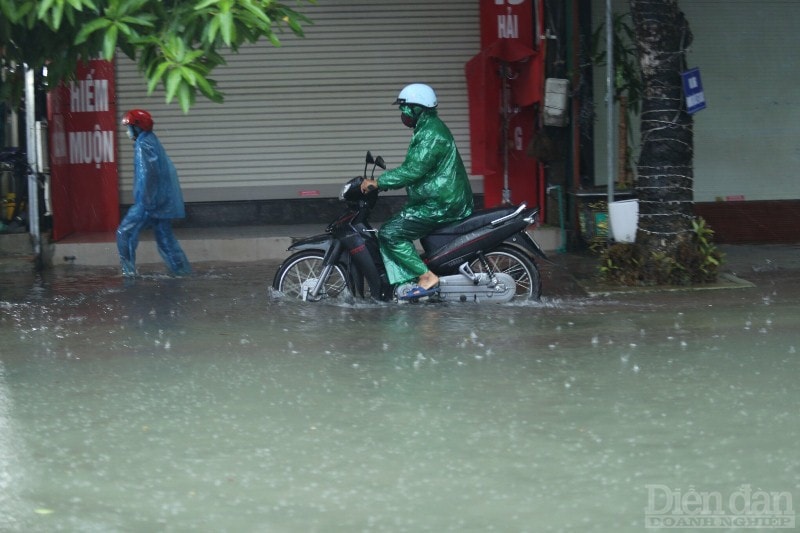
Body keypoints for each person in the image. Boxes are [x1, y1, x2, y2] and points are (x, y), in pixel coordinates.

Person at [360, 83, 473, 299]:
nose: (402, 115)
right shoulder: (427, 128)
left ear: (418, 108)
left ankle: (427, 277)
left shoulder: (431, 133)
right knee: (399, 225)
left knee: (390, 233)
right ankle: (410, 281)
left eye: (405, 109)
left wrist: (378, 182)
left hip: (441, 202)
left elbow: (413, 171)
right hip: (436, 198)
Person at [116, 109, 191, 277]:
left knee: (124, 233)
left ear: (138, 127)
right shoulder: (151, 141)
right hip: (160, 201)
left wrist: (146, 203)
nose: (127, 131)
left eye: (129, 127)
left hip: (149, 202)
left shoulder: (143, 145)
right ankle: (183, 273)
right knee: (166, 241)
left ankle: (128, 273)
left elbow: (149, 174)